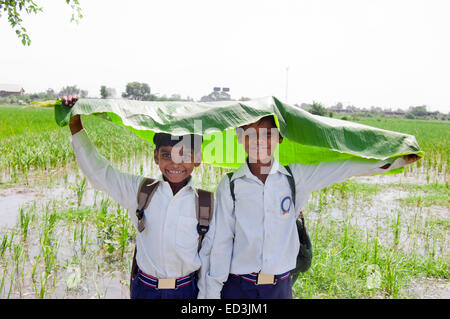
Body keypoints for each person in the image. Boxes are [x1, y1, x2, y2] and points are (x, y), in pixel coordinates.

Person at [206, 115, 421, 299]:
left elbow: (343, 168)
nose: (259, 141)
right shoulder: (231, 185)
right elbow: (222, 241)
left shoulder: (295, 177)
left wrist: (395, 160)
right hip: (238, 286)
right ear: (239, 138)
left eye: (267, 134)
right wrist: (213, 291)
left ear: (280, 138)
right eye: (250, 134)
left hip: (279, 287)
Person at [61, 95, 215, 299]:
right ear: (155, 157)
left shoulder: (206, 204)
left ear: (197, 159)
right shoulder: (141, 191)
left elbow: (213, 261)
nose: (175, 164)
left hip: (186, 290)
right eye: (167, 155)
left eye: (184, 155)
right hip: (145, 288)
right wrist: (75, 124)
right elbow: (100, 172)